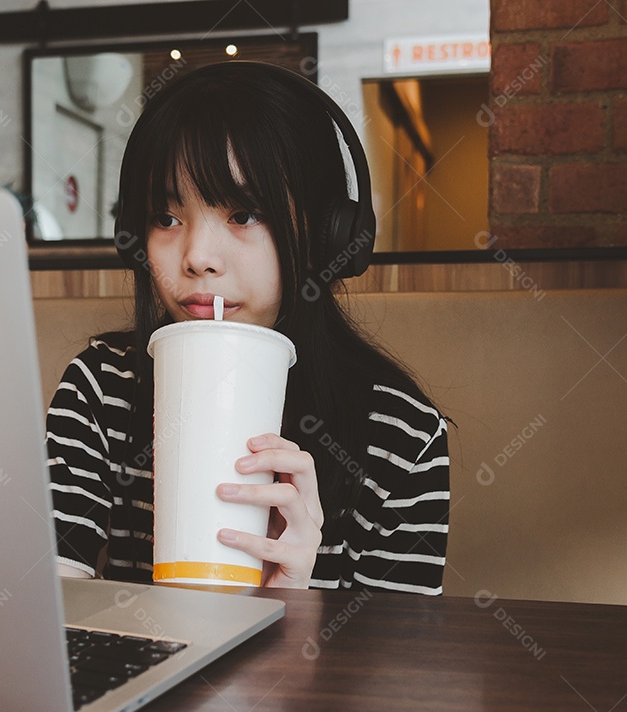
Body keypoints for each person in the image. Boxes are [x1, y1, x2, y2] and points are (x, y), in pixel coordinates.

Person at [46, 61, 450, 593]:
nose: (197, 257)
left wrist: (285, 599)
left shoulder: (403, 438)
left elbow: (394, 672)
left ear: (325, 234)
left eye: (243, 215)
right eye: (166, 219)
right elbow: (44, 623)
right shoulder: (102, 388)